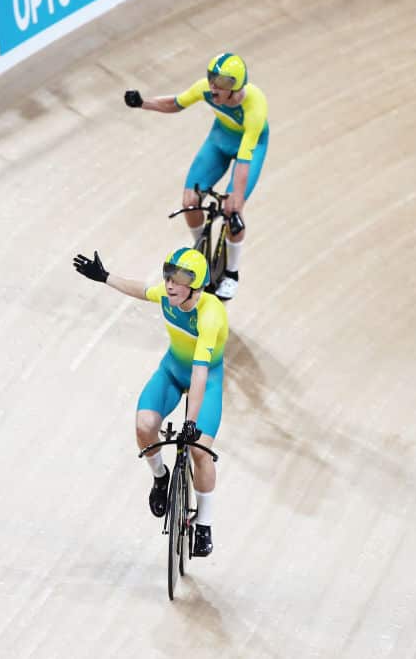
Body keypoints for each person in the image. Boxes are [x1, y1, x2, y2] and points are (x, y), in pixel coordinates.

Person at [73, 247, 228, 557]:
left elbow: (199, 374)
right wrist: (104, 277)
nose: (170, 284)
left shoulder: (210, 315)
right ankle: (160, 477)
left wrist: (190, 423)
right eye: (168, 275)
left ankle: (205, 525)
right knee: (144, 426)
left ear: (195, 285)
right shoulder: (168, 297)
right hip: (171, 371)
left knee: (200, 451)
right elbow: (141, 290)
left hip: (206, 380)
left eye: (179, 279)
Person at [124, 53, 269, 300]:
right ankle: (200, 248)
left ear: (235, 86)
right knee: (189, 201)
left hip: (250, 149)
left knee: (233, 212)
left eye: (220, 82)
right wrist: (142, 103)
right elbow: (175, 103)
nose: (213, 85)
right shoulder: (205, 90)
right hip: (219, 141)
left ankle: (232, 273)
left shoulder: (255, 106)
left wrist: (237, 196)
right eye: (211, 77)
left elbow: (245, 159)